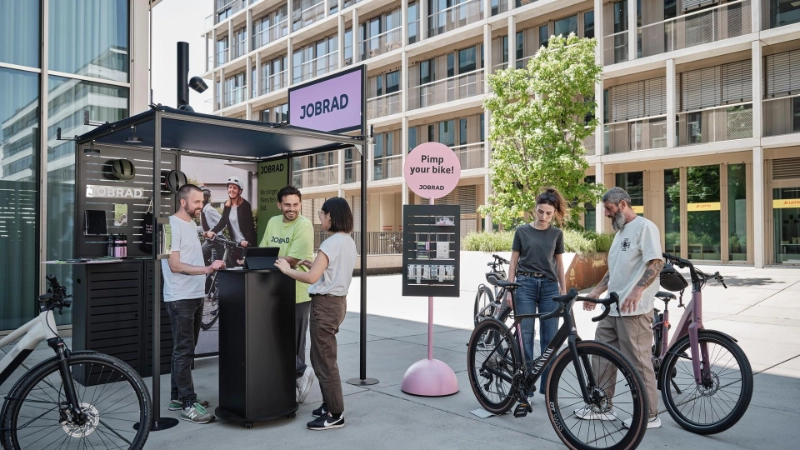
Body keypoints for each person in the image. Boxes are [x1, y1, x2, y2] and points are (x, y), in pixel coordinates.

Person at [581, 187, 663, 429]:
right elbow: (615, 270)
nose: (606, 214)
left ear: (624, 204)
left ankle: (649, 415)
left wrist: (638, 291)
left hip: (634, 310)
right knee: (601, 357)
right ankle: (601, 406)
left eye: (609, 209)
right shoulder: (620, 233)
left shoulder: (645, 227)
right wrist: (597, 291)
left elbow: (655, 262)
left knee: (638, 362)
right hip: (612, 308)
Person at [275, 197, 356, 431]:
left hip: (325, 306)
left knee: (323, 361)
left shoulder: (330, 244)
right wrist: (313, 264)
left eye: (321, 214)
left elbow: (311, 279)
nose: (319, 218)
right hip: (338, 303)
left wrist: (287, 270)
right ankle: (328, 404)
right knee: (323, 358)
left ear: (331, 216)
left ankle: (335, 414)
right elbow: (328, 273)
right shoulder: (347, 241)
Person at [163, 184, 224, 424]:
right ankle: (188, 403)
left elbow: (188, 249)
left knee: (184, 349)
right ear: (183, 202)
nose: (201, 206)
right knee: (184, 350)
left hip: (195, 295)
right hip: (180, 298)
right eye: (197, 202)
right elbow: (175, 265)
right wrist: (207, 269)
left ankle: (177, 397)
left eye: (202, 201)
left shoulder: (189, 224)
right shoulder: (168, 226)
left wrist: (202, 234)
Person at [505, 187, 567, 407]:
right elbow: (513, 261)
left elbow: (559, 264)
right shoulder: (522, 232)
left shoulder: (556, 234)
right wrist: (509, 290)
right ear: (535, 209)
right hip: (525, 285)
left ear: (554, 213)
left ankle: (547, 386)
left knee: (551, 339)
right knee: (527, 336)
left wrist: (563, 290)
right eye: (541, 212)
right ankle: (527, 387)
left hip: (550, 287)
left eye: (549, 213)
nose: (544, 217)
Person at [258, 185, 315, 403]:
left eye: (296, 204)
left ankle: (296, 385)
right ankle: (295, 377)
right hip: (273, 290)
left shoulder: (304, 225)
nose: (292, 209)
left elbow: (291, 260)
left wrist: (270, 259)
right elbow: (263, 250)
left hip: (297, 292)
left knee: (295, 342)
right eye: (287, 204)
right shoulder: (273, 222)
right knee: (276, 338)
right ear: (279, 204)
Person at [205, 176, 256, 266]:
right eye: (230, 187)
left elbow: (249, 225)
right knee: (232, 267)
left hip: (246, 244)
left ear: (240, 191)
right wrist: (213, 231)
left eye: (234, 188)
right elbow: (223, 221)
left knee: (243, 268)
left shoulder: (245, 205)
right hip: (235, 244)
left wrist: (247, 240)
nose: (231, 190)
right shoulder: (227, 205)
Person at [198, 187, 223, 264]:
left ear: (205, 197)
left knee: (215, 265)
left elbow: (223, 222)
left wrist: (213, 231)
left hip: (217, 240)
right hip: (209, 241)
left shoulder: (209, 210)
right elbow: (205, 227)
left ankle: (212, 275)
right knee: (199, 258)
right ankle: (207, 274)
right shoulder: (202, 211)